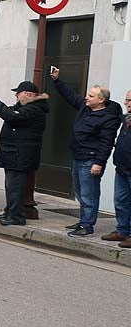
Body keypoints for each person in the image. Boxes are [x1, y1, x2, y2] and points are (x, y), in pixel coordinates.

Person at [49, 67, 122, 236]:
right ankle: (83, 221)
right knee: (81, 193)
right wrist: (57, 80)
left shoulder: (108, 118)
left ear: (101, 100)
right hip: (78, 157)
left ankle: (87, 226)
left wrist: (99, 163)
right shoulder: (85, 107)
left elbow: (106, 142)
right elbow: (70, 96)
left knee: (89, 195)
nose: (86, 97)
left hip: (90, 161)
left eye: (91, 96)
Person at [0, 81, 50, 227]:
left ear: (27, 94)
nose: (16, 96)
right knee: (10, 186)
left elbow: (12, 116)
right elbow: (11, 112)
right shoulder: (25, 107)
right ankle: (10, 212)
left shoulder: (35, 108)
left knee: (15, 186)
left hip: (20, 155)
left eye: (18, 93)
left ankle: (16, 216)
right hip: (13, 154)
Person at [104, 90, 131, 247]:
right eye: (126, 100)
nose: (127, 103)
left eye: (129, 100)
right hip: (121, 167)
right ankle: (122, 230)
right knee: (121, 201)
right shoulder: (125, 119)